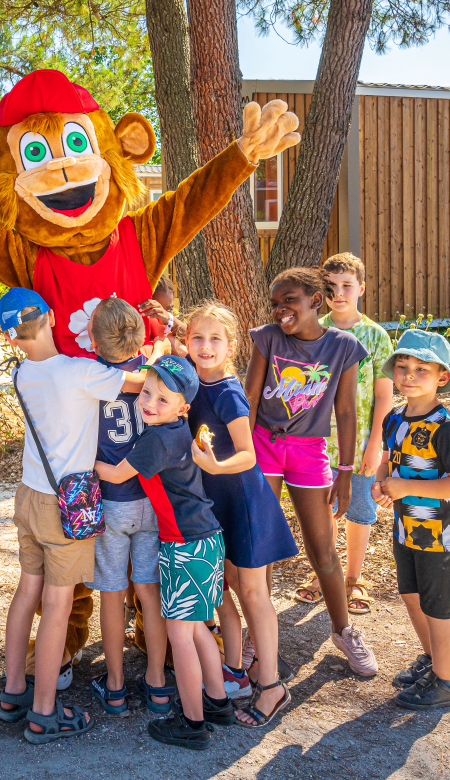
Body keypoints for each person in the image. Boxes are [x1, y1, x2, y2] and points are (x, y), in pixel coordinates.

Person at [0, 288, 152, 744]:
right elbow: (140, 382)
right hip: (67, 506)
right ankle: (44, 713)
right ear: (50, 316)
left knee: (28, 592)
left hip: (28, 496)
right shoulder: (81, 372)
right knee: (58, 608)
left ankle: (14, 692)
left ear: (11, 338)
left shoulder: (23, 372)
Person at [95, 355, 234, 750]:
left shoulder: (157, 439)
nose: (149, 403)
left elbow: (117, 473)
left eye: (162, 399)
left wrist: (80, 463)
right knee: (196, 630)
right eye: (148, 393)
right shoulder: (173, 430)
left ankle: (193, 723)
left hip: (184, 546)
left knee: (182, 638)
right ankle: (218, 702)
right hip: (205, 540)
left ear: (182, 408)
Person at [245, 267, 378, 677]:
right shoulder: (267, 338)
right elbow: (249, 398)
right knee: (259, 549)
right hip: (264, 445)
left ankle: (344, 630)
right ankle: (256, 632)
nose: (281, 309)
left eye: (290, 300)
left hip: (310, 452)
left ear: (314, 301)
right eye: (275, 303)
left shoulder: (343, 346)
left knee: (322, 548)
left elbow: (346, 409)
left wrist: (344, 471)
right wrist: (243, 457)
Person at [183, 302, 297, 728]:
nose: (206, 346)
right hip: (215, 503)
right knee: (230, 583)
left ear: (231, 346)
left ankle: (271, 685)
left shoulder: (228, 392)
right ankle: (243, 671)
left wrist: (213, 467)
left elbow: (247, 455)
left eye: (216, 339)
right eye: (198, 337)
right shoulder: (190, 381)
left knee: (253, 594)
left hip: (243, 501)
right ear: (186, 341)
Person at [372, 329, 450, 710]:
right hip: (406, 528)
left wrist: (401, 485)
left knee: (437, 609)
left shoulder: (445, 428)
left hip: (441, 536)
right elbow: (388, 459)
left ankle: (447, 684)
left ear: (442, 377)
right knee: (412, 598)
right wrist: (382, 484)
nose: (409, 376)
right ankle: (434, 662)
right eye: (403, 367)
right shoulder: (394, 418)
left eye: (421, 369)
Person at [85, 298, 173, 717]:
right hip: (151, 500)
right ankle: (157, 682)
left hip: (112, 501)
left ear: (92, 338)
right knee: (148, 592)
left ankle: (116, 685)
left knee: (112, 594)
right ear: (142, 334)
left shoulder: (87, 377)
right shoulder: (156, 375)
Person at [295, 253, 393, 614]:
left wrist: (376, 444)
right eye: (331, 287)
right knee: (323, 512)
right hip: (318, 443)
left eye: (346, 286)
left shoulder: (375, 336)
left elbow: (384, 395)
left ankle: (354, 577)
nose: (339, 294)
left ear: (361, 289)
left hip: (362, 442)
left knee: (359, 509)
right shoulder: (312, 329)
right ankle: (326, 573)